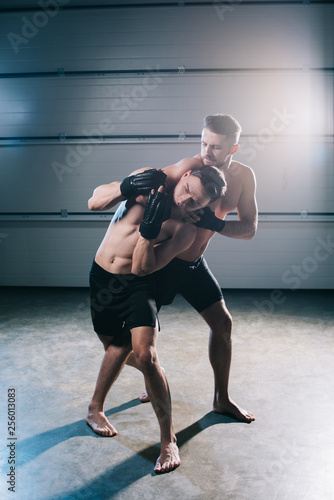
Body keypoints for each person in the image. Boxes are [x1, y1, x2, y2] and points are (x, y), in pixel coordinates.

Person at [90, 113, 258, 424]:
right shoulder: (188, 168)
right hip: (161, 265)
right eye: (204, 143)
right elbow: (145, 190)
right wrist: (127, 188)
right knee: (129, 342)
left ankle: (221, 399)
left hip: (192, 264)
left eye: (217, 148)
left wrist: (216, 224)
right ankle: (142, 385)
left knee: (223, 325)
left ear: (233, 149)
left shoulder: (244, 177)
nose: (207, 152)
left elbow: (249, 229)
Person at [86, 166, 226, 474]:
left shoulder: (185, 230)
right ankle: (142, 385)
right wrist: (125, 186)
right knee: (114, 348)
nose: (187, 201)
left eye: (196, 203)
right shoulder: (149, 183)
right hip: (102, 280)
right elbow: (94, 202)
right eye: (188, 190)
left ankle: (167, 442)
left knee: (147, 356)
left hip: (137, 285)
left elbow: (141, 269)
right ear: (186, 175)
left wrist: (148, 231)